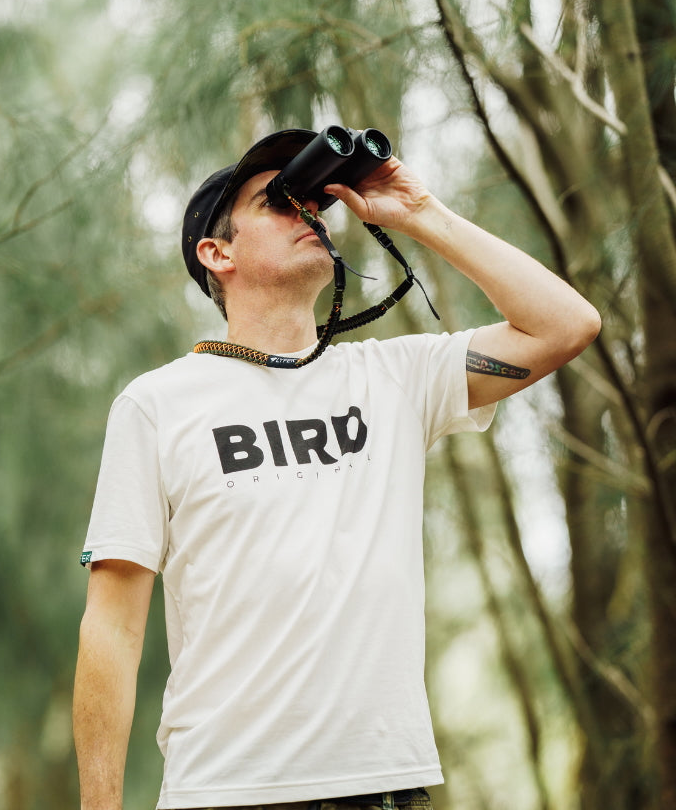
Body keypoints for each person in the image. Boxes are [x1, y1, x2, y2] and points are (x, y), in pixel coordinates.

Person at [73, 127, 601, 810]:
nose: (309, 213)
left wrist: (419, 214)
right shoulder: (157, 406)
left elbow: (568, 325)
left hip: (385, 786)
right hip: (228, 790)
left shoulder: (394, 377)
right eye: (278, 202)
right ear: (217, 252)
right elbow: (112, 631)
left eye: (314, 204)